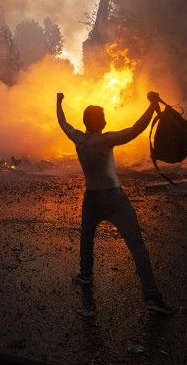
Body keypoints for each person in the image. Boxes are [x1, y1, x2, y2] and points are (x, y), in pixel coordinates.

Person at [56, 90, 172, 314]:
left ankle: (86, 275)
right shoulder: (107, 139)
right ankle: (151, 297)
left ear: (85, 122)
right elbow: (136, 129)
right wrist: (152, 105)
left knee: (86, 238)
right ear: (103, 122)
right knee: (136, 246)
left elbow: (62, 122)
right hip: (113, 197)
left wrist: (58, 101)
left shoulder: (78, 138)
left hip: (91, 197)